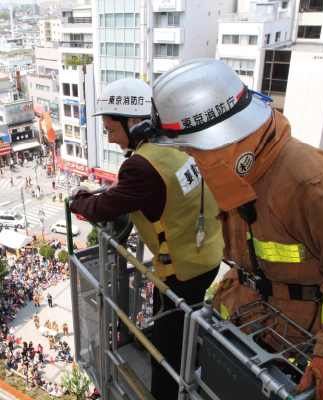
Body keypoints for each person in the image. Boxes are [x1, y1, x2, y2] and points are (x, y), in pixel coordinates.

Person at [147, 59, 323, 400]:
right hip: (248, 326)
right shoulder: (238, 172)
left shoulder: (309, 182)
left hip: (299, 345)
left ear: (220, 140)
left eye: (191, 148)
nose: (190, 157)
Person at [69, 78, 224, 400]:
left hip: (181, 268)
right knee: (183, 322)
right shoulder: (176, 145)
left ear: (135, 123)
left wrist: (77, 199)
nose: (110, 140)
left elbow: (101, 207)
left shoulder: (141, 165)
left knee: (166, 347)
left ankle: (168, 392)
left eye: (112, 129)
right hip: (207, 254)